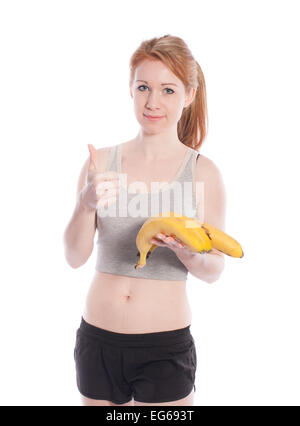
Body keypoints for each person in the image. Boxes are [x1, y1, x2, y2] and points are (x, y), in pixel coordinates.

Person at [63, 34, 226, 406]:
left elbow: (215, 269)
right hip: (98, 342)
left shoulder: (203, 173)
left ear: (188, 95)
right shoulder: (99, 163)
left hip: (164, 346)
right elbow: (74, 258)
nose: (153, 102)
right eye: (143, 87)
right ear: (131, 90)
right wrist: (86, 204)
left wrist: (190, 256)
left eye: (168, 90)